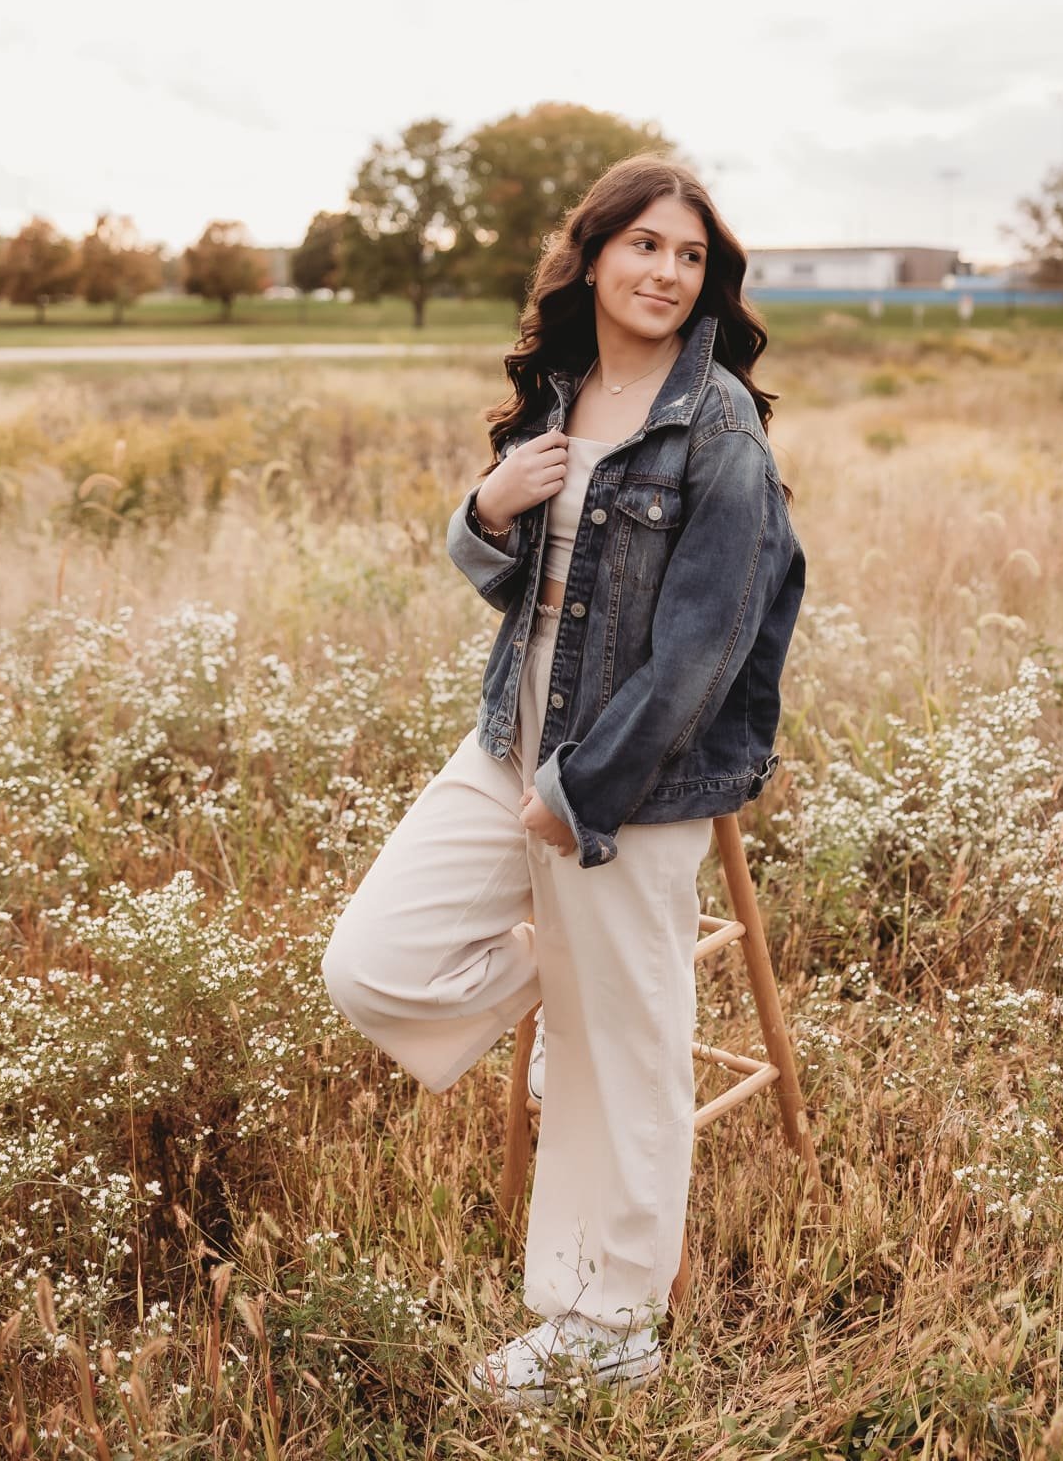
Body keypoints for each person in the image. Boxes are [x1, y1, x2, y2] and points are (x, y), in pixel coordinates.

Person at [320, 153, 806, 1409]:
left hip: (631, 777)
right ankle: (572, 982)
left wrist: (582, 787)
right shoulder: (559, 388)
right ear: (593, 255)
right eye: (645, 244)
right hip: (507, 737)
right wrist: (485, 505)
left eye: (690, 254)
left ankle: (614, 1320)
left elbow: (709, 647)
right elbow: (512, 577)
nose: (667, 270)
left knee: (627, 1053)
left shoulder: (717, 427)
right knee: (373, 963)